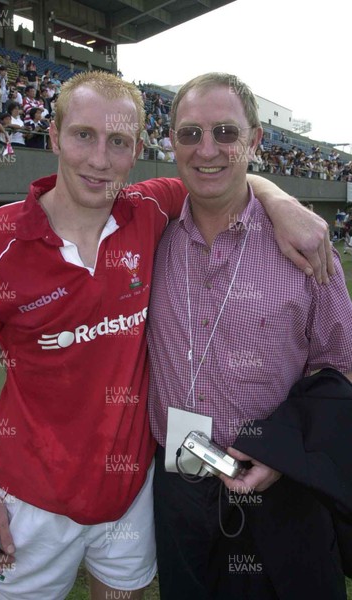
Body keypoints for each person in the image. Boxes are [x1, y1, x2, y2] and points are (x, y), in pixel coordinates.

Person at [0, 71, 333, 600]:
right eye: (84, 135)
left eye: (119, 142)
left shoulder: (150, 210)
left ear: (138, 151)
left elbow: (227, 176)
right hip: (30, 501)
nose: (99, 159)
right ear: (56, 133)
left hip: (133, 494)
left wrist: (279, 201)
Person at [146, 72, 352, 600]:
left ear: (256, 141)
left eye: (226, 133)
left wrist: (282, 451)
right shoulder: (150, 233)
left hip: (284, 487)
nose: (207, 149)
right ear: (170, 141)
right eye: (190, 134)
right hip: (179, 485)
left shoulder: (305, 245)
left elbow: (342, 364)